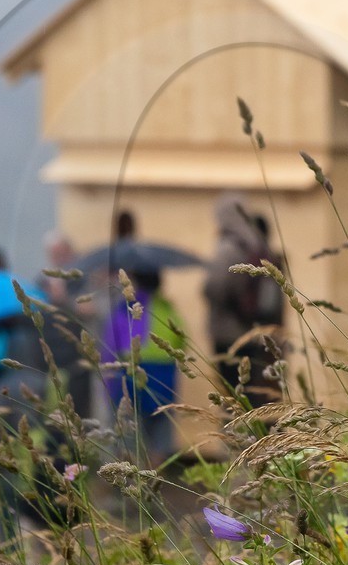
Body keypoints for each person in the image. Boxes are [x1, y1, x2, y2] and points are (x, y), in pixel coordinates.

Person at [203, 193, 285, 403]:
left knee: (233, 394)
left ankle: (238, 433)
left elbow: (214, 286)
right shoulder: (258, 244)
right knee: (253, 392)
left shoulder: (230, 247)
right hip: (257, 332)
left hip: (230, 334)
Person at [100, 267, 185, 464]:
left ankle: (132, 483)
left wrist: (108, 380)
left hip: (131, 372)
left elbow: (111, 344)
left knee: (128, 433)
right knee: (160, 433)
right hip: (164, 376)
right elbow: (182, 341)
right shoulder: (167, 307)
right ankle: (155, 478)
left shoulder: (127, 308)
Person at [36, 232, 94, 421]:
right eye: (54, 253)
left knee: (79, 411)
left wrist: (64, 299)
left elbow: (90, 310)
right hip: (51, 357)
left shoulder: (81, 279)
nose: (58, 257)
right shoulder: (42, 281)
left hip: (77, 358)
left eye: (62, 252)